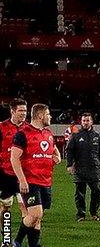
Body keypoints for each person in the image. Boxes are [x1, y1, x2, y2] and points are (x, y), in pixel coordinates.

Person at [10, 103, 61, 247]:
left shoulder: (48, 134)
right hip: (30, 181)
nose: (50, 117)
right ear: (40, 115)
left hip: (46, 181)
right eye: (48, 114)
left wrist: (57, 158)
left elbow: (55, 152)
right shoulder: (23, 133)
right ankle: (17, 241)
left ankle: (34, 245)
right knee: (35, 214)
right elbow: (14, 158)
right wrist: (22, 181)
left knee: (38, 218)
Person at [65, 112, 100, 221]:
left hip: (94, 168)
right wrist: (69, 165)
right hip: (80, 168)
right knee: (80, 193)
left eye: (87, 120)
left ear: (91, 122)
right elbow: (69, 151)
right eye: (83, 121)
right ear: (81, 122)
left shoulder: (97, 136)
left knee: (97, 191)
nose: (85, 123)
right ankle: (81, 214)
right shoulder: (76, 135)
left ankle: (94, 212)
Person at [0, 99, 28, 241]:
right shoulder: (2, 127)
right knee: (6, 208)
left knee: (28, 210)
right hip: (7, 174)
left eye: (25, 110)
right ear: (12, 111)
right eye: (20, 111)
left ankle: (22, 241)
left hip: (25, 175)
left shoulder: (29, 128)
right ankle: (6, 239)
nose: (24, 113)